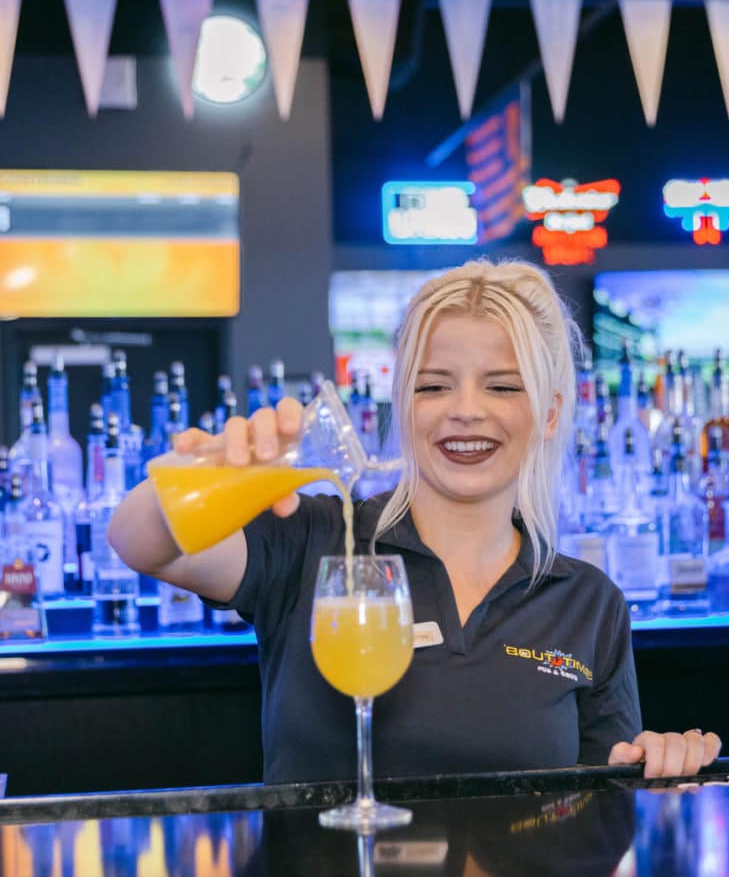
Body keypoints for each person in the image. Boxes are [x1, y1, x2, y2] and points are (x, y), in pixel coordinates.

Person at [109, 259, 722, 784]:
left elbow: (598, 819)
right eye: (433, 386)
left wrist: (657, 770)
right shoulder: (314, 537)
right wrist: (222, 463)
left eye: (503, 387)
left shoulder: (589, 602)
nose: (465, 412)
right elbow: (138, 543)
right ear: (402, 405)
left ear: (551, 413)